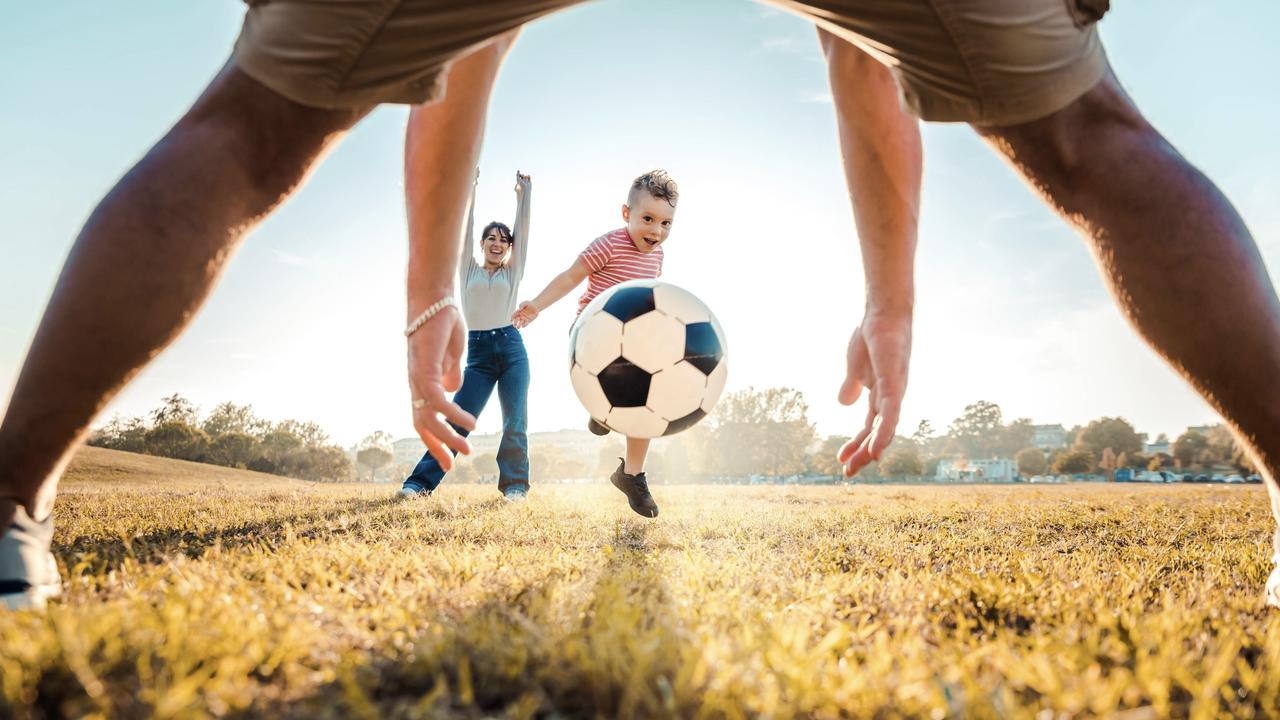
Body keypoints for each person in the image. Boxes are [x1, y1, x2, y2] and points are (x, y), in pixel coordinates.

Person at [2, 0, 1278, 610]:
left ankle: (7, 507)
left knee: (249, 124)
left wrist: (426, 297)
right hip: (565, 335)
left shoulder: (656, 261)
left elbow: (462, 47)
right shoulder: (612, 246)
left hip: (591, 351)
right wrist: (889, 297)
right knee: (1089, 137)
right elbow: (859, 47)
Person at [511, 170, 678, 518]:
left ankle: (631, 474)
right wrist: (537, 306)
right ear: (625, 214)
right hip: (592, 330)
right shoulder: (608, 244)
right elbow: (572, 276)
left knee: (649, 398)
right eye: (647, 219)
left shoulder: (657, 257)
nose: (656, 231)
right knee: (621, 359)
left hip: (635, 339)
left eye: (665, 223)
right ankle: (602, 404)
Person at [400, 167, 533, 501]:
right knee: (458, 419)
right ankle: (419, 484)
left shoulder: (512, 273)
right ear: (482, 243)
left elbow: (524, 233)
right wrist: (470, 186)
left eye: (504, 240)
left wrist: (524, 193)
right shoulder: (468, 269)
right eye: (492, 238)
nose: (498, 243)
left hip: (512, 348)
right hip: (478, 355)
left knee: (515, 420)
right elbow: (465, 225)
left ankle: (515, 486)